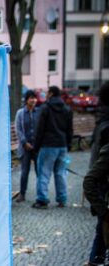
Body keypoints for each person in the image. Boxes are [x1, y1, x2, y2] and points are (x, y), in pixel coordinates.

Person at [32, 86, 73, 209]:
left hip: (48, 145)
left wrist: (36, 146)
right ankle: (62, 199)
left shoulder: (45, 108)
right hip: (62, 145)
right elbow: (70, 130)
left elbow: (39, 129)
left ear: (50, 93)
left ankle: (42, 200)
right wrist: (68, 145)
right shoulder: (67, 109)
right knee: (61, 173)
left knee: (44, 173)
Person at [84, 82, 109, 265]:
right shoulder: (106, 126)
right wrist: (102, 208)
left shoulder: (102, 120)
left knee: (101, 235)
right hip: (103, 191)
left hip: (101, 190)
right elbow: (93, 174)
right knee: (102, 233)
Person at [14, 90, 40, 202]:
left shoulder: (39, 112)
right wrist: (24, 142)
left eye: (35, 98)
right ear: (26, 100)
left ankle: (41, 195)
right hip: (25, 148)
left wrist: (37, 143)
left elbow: (41, 128)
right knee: (24, 172)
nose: (34, 100)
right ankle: (22, 194)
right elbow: (18, 129)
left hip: (36, 147)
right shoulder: (20, 113)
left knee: (40, 171)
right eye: (31, 98)